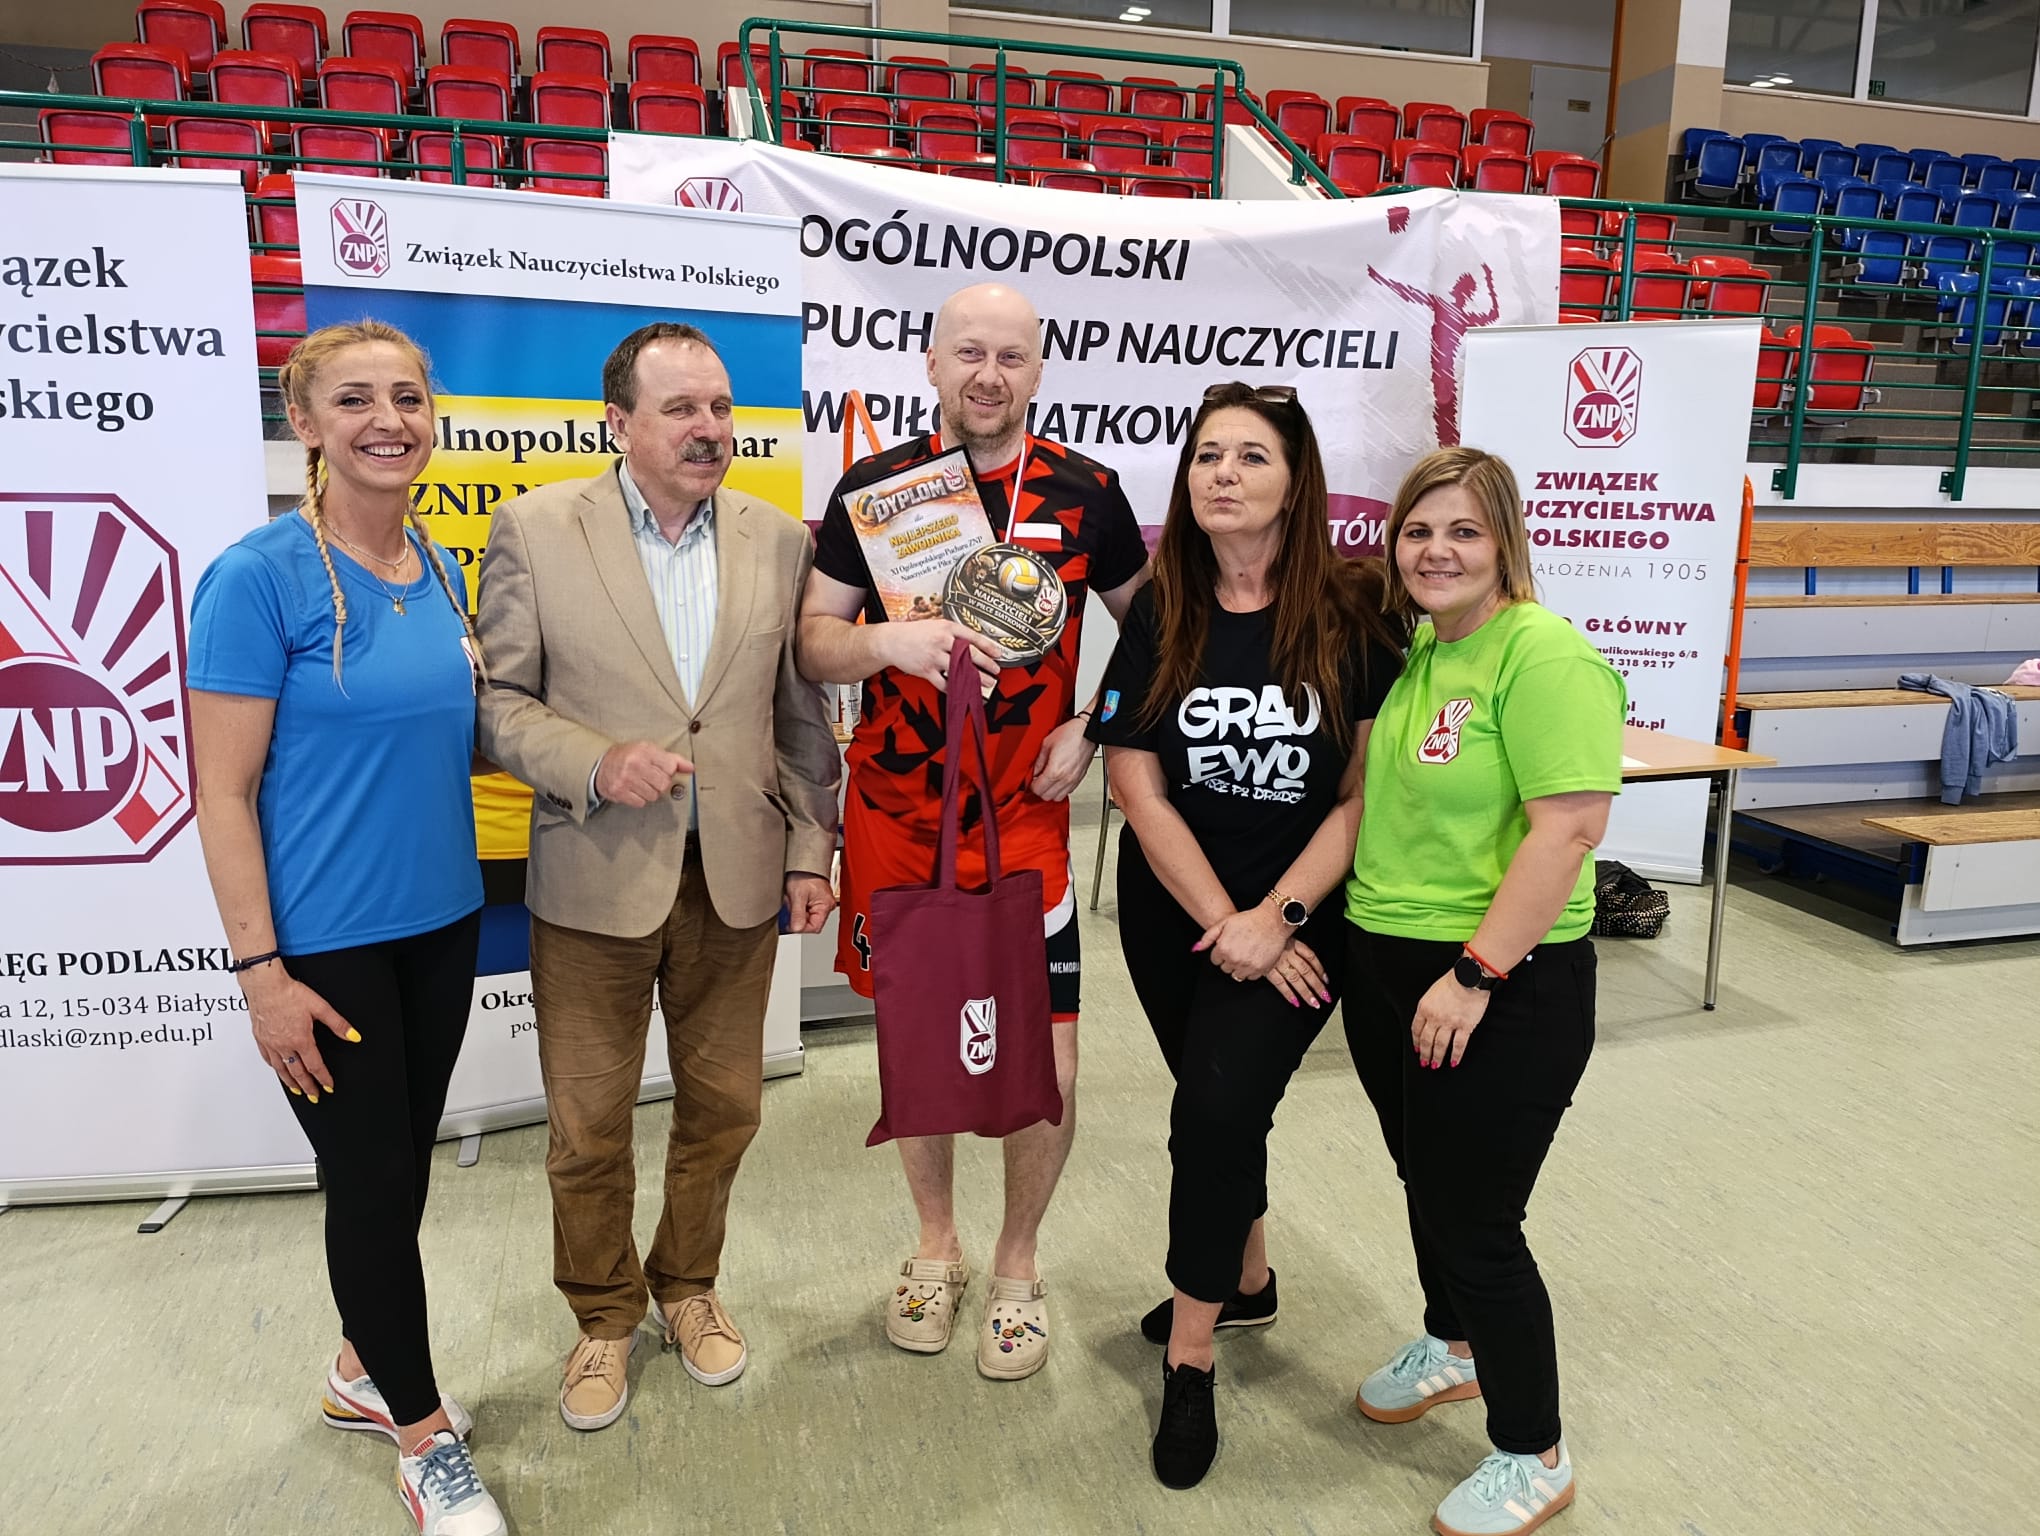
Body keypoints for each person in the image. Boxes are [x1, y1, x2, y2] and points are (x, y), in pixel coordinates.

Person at [474, 322, 840, 1432]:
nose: (710, 429)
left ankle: (687, 1285)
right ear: (619, 422)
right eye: (681, 409)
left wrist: (811, 849)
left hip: (737, 881)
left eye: (721, 408)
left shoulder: (780, 539)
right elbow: (499, 705)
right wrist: (595, 761)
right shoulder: (537, 529)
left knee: (725, 1109)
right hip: (595, 877)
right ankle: (602, 1316)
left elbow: (799, 717)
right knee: (589, 1126)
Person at [798, 282, 1150, 1380]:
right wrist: (883, 647)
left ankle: (1016, 1261)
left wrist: (1094, 726)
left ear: (1037, 371)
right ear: (932, 362)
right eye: (968, 353)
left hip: (1026, 824)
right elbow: (812, 641)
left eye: (1010, 356)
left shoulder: (1089, 495)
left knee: (1049, 1054)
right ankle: (936, 1245)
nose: (988, 375)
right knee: (917, 1042)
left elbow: (1163, 633)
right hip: (901, 818)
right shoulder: (877, 491)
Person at [188, 321, 506, 1536]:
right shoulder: (257, 578)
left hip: (443, 921)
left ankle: (359, 1367)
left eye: (408, 398)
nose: (389, 420)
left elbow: (453, 738)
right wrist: (261, 974)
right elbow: (220, 793)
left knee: (399, 1168)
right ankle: (421, 1437)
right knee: (370, 1187)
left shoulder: (439, 565)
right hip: (324, 947)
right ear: (306, 423)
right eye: (356, 399)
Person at [1086, 382, 1405, 1488]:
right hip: (1177, 915)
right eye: (1207, 456)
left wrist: (1277, 917)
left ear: (1296, 483)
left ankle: (1190, 1357)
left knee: (1214, 1111)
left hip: (1302, 916)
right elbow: (1135, 782)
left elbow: (1363, 794)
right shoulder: (1162, 612)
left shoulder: (1356, 613)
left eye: (1251, 457)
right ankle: (1249, 1281)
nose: (1222, 474)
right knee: (1222, 1105)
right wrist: (1226, 920)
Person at [1342, 446, 1624, 1536]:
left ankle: (1533, 1451)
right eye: (1418, 531)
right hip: (1393, 967)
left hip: (1501, 981)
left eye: (1463, 530)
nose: (1436, 551)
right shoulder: (1425, 647)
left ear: (1505, 542)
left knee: (1476, 1221)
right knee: (1426, 1179)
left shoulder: (1544, 655)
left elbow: (1570, 831)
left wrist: (1475, 974)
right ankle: (1453, 1343)